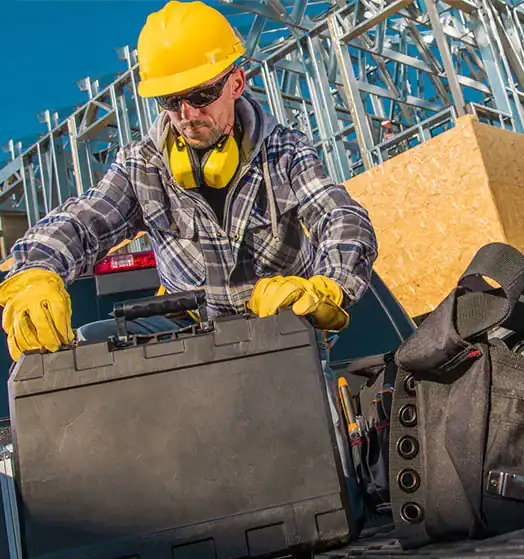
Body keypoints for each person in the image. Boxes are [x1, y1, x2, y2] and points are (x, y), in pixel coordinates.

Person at [0, 0, 377, 518]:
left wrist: (329, 287)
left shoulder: (284, 154)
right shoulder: (142, 167)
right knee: (90, 344)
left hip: (280, 342)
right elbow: (82, 222)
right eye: (171, 102)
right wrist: (34, 272)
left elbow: (344, 219)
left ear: (236, 83)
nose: (186, 116)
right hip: (191, 343)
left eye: (201, 96)